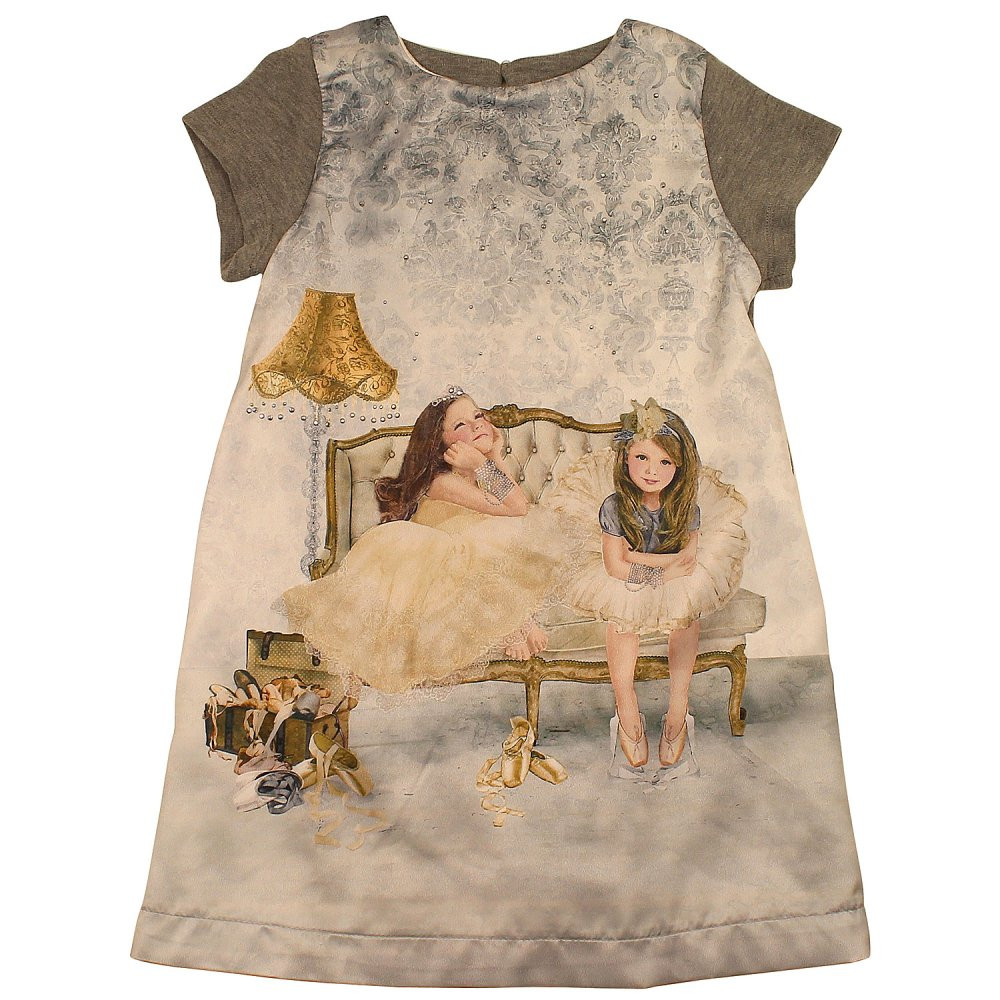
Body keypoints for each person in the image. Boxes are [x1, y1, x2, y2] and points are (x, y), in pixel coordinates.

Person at [274, 385, 588, 698]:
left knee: (510, 531)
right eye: (460, 424)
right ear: (441, 445)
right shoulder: (442, 481)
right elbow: (516, 506)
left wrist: (492, 454)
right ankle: (516, 624)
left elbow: (514, 505)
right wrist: (483, 464)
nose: (476, 425)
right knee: (494, 538)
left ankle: (518, 620)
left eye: (478, 416)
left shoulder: (478, 472)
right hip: (432, 557)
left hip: (467, 549)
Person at [539, 398, 748, 772]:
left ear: (679, 466)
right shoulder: (615, 506)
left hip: (667, 578)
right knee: (623, 618)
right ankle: (627, 707)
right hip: (630, 579)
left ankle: (678, 710)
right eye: (642, 458)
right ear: (626, 459)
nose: (652, 470)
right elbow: (615, 567)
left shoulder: (687, 507)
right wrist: (661, 568)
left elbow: (689, 563)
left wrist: (639, 558)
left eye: (665, 462)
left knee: (685, 616)